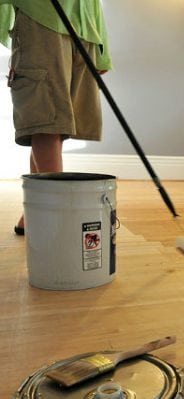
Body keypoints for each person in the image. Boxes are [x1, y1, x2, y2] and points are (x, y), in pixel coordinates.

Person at [0, 0, 112, 235]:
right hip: (41, 16)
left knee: (56, 125)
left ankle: (36, 212)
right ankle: (58, 216)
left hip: (83, 24)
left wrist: (101, 47)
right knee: (45, 120)